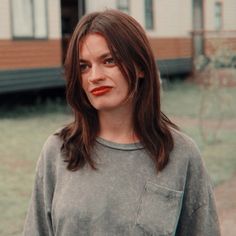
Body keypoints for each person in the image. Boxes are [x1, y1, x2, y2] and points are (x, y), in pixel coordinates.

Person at [23, 9, 220, 236]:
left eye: (109, 60)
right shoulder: (58, 151)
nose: (94, 76)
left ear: (140, 67)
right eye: (84, 66)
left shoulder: (182, 155)